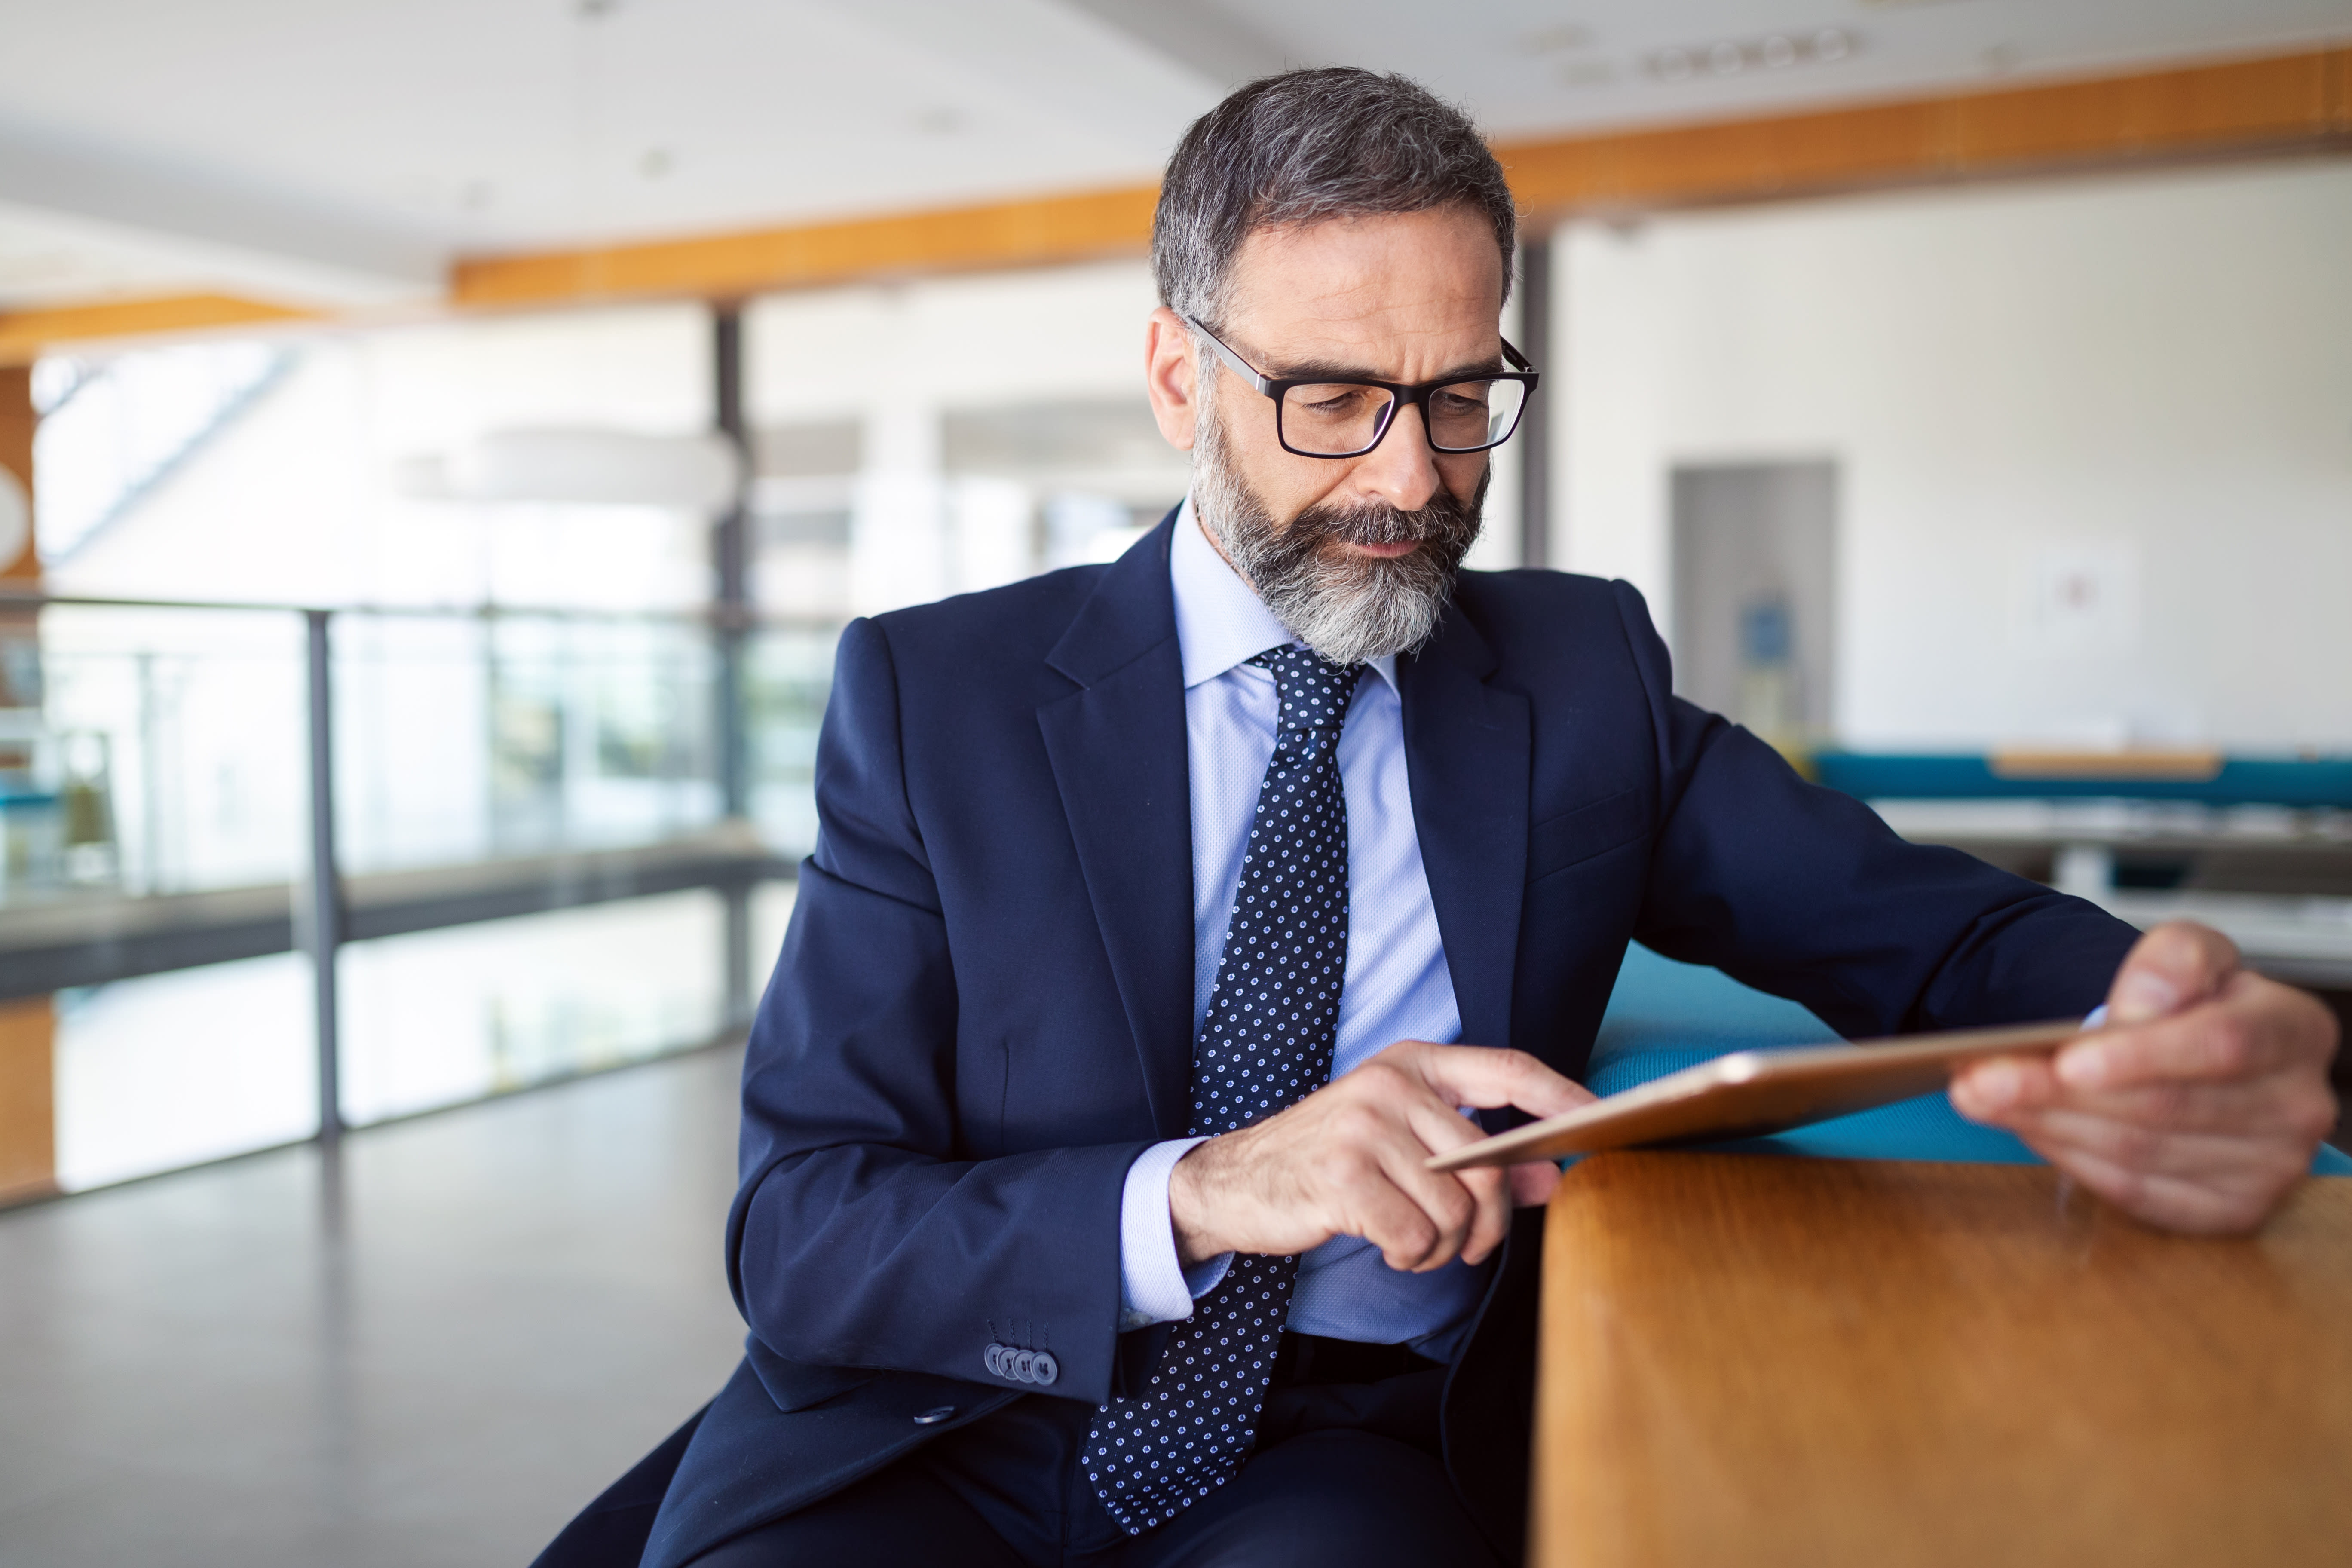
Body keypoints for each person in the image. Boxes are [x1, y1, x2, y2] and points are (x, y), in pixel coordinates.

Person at [545, 68, 2340, 1568]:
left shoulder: (1579, 677)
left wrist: (2162, 1019)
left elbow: (1928, 929)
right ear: (1183, 378)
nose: (1410, 479)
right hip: (937, 1425)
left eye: (1463, 398)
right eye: (1332, 399)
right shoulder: (937, 699)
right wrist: (1214, 1189)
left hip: (1342, 1445)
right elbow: (804, 1227)